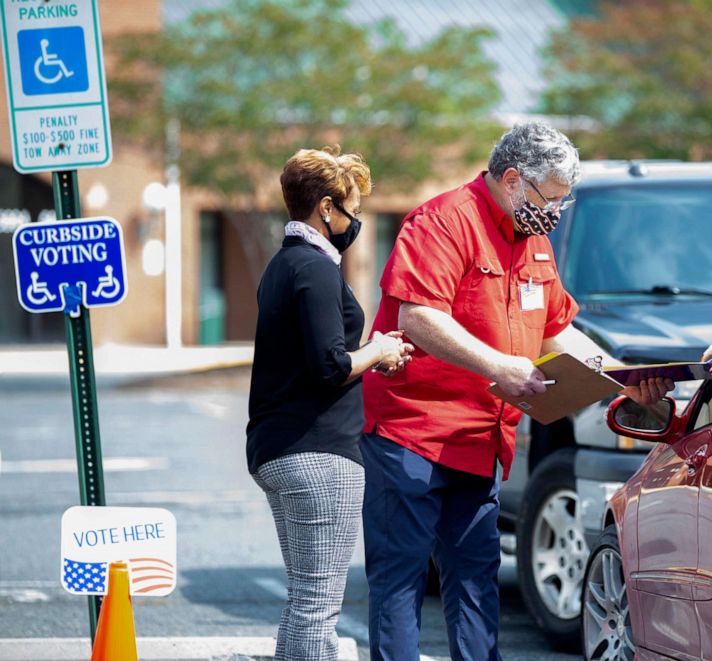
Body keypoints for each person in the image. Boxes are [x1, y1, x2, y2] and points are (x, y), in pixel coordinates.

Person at [360, 122, 671, 660]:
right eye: (548, 196)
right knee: (402, 578)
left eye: (562, 200)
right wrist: (499, 365)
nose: (554, 210)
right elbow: (418, 318)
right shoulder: (442, 222)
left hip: (482, 438)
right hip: (412, 432)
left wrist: (621, 377)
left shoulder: (535, 242)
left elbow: (557, 330)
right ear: (511, 180)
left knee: (477, 580)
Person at [246, 146, 413, 661]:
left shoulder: (282, 264)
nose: (355, 221)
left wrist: (368, 355)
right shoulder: (315, 268)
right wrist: (381, 349)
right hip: (318, 453)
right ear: (325, 206)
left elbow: (317, 359)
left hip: (278, 446)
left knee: (303, 603)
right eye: (351, 209)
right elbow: (329, 367)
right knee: (318, 610)